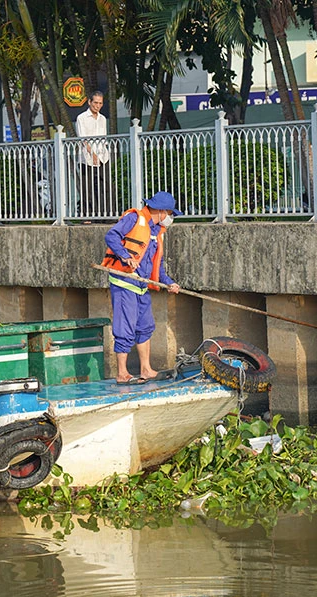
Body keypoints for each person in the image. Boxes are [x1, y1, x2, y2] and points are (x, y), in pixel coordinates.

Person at [101, 191, 181, 385]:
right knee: (125, 328)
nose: (170, 218)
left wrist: (169, 282)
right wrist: (124, 255)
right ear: (161, 211)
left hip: (141, 286)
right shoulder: (134, 218)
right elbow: (111, 236)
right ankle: (122, 373)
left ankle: (145, 368)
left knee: (145, 326)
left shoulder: (156, 232)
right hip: (124, 282)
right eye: (170, 213)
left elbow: (157, 266)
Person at [75, 91, 111, 218]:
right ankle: (88, 216)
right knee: (87, 188)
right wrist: (93, 154)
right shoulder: (82, 118)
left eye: (100, 103)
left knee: (104, 186)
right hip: (87, 158)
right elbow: (83, 138)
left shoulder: (102, 119)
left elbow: (104, 138)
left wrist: (102, 154)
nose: (98, 106)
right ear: (89, 102)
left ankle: (105, 215)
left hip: (103, 157)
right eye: (95, 102)